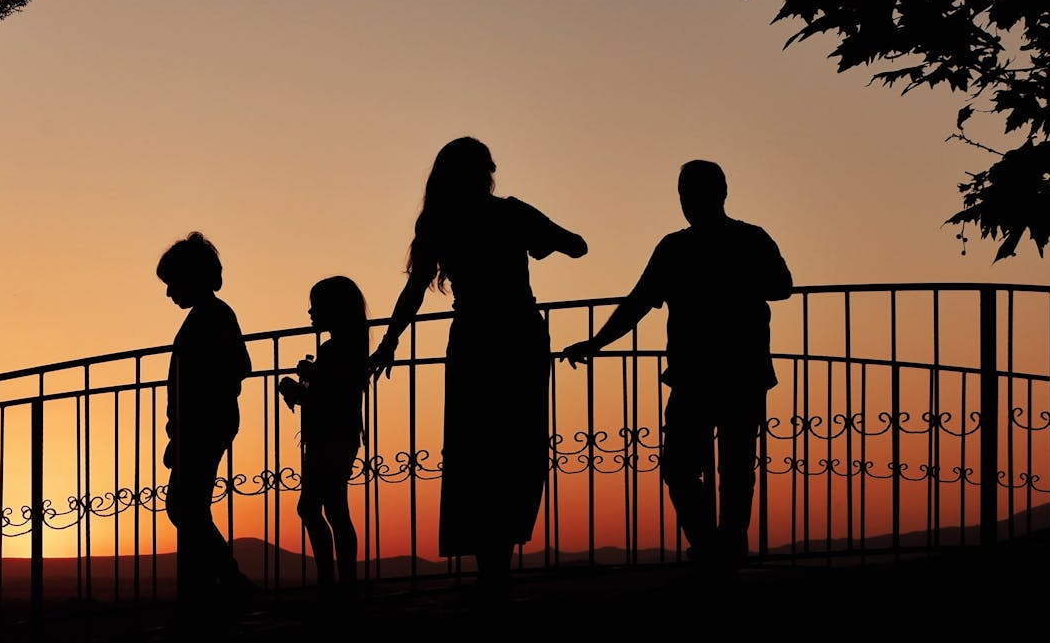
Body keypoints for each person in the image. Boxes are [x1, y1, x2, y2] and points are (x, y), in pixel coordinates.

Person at [369, 136, 588, 594]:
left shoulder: (440, 224)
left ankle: (489, 563)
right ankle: (500, 557)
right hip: (519, 336)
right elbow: (577, 246)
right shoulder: (510, 213)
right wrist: (542, 236)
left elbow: (414, 291)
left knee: (475, 450)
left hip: (473, 339)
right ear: (485, 173)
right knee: (517, 445)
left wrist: (389, 342)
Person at [560, 160, 792, 573]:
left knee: (704, 468)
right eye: (685, 194)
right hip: (730, 371)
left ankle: (715, 548)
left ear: (717, 194)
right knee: (718, 468)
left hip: (708, 373)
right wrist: (596, 342)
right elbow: (638, 303)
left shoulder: (685, 247)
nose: (688, 202)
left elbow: (781, 286)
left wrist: (596, 343)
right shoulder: (733, 240)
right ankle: (722, 546)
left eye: (691, 193)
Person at [157, 231, 258, 604]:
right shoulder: (210, 315)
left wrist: (187, 423)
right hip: (199, 424)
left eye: (172, 283)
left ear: (192, 278)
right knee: (188, 506)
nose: (169, 293)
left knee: (185, 506)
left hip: (204, 424)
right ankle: (214, 585)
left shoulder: (213, 316)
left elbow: (238, 366)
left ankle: (228, 583)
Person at [278, 276, 369, 598]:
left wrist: (296, 386)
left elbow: (326, 396)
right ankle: (340, 583)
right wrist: (310, 381)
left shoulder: (335, 349)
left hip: (329, 438)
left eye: (316, 306)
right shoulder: (353, 345)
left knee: (315, 509)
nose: (310, 312)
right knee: (333, 509)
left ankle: (333, 583)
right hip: (341, 435)